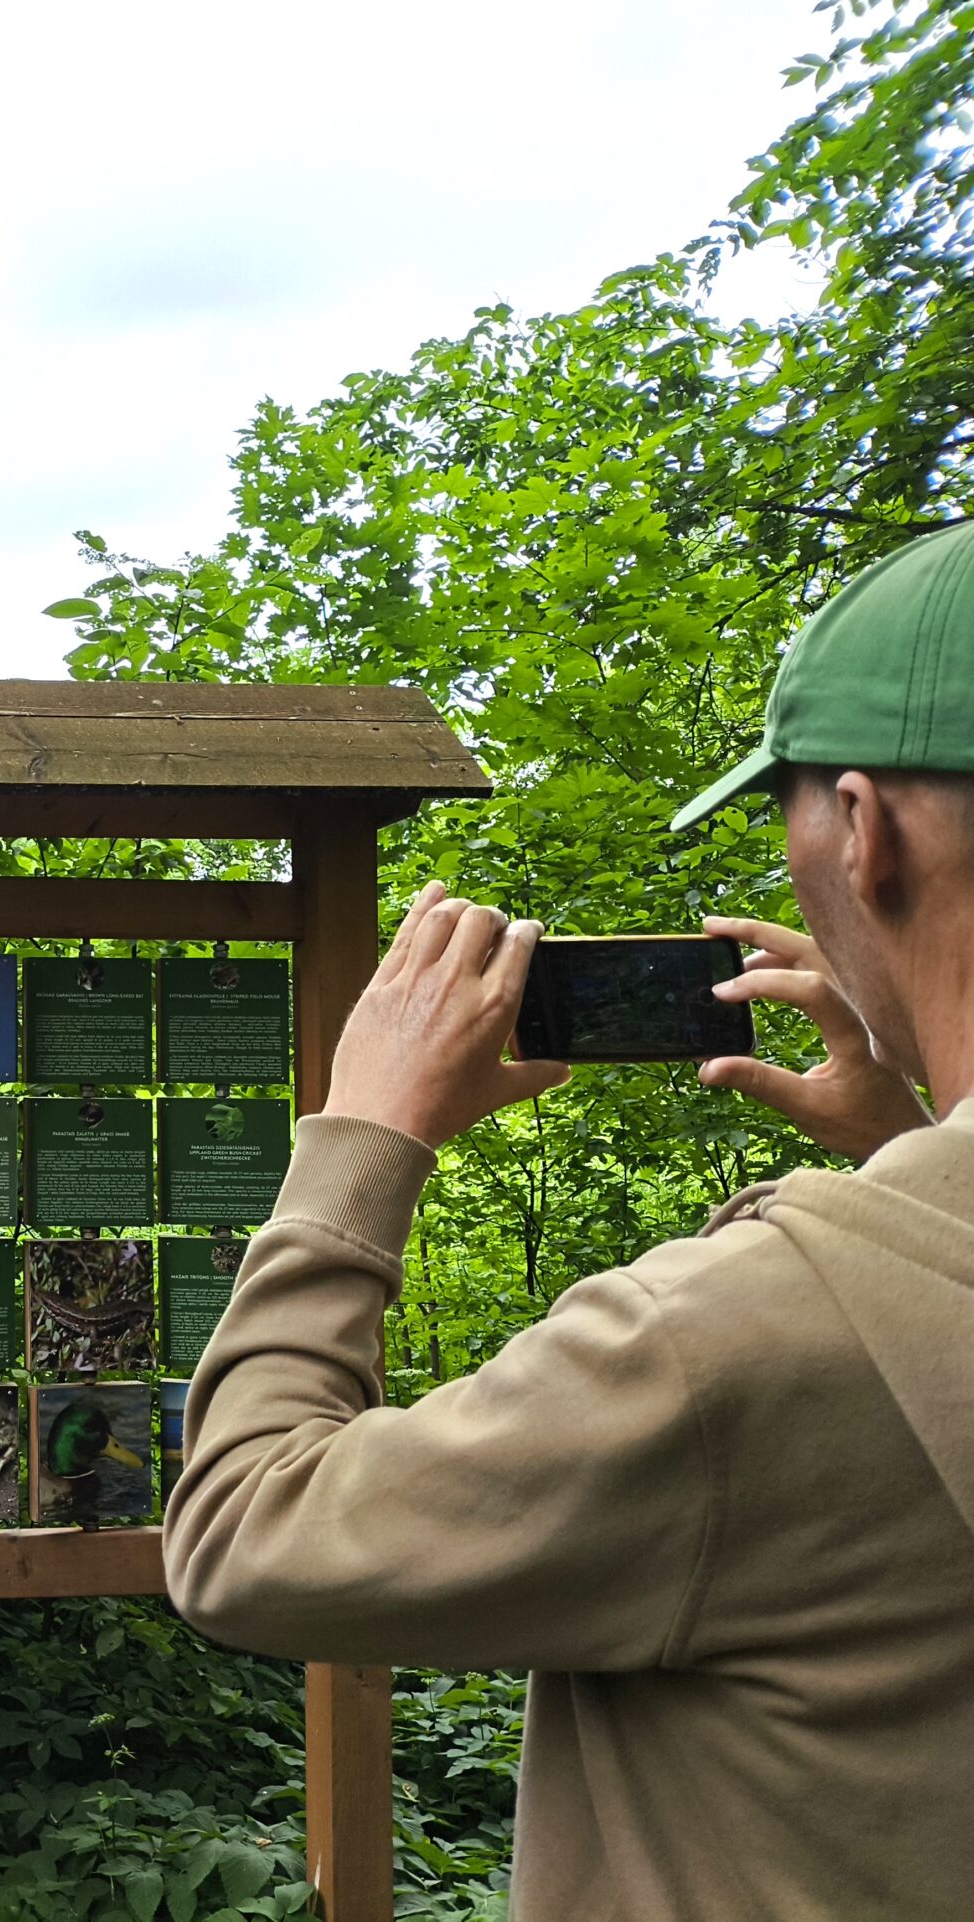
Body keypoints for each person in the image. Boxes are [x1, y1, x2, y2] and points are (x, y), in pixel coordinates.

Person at [163, 521, 974, 1921]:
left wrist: (367, 1133)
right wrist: (914, 1146)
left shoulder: (735, 1345)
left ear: (865, 829)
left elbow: (248, 1531)